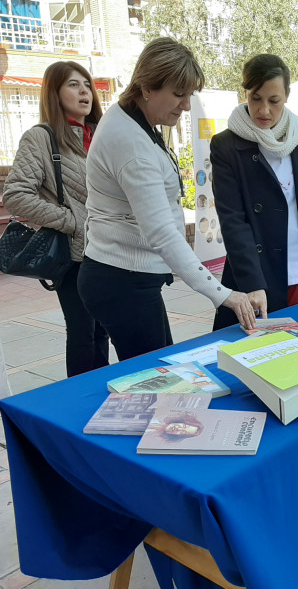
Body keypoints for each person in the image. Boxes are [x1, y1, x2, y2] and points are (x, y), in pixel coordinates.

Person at [78, 37, 255, 361]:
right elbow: (162, 233)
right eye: (178, 94)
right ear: (147, 87)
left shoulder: (134, 118)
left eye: (189, 95)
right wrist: (221, 294)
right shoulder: (131, 144)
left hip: (125, 277)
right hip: (120, 281)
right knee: (158, 382)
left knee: (156, 374)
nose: (186, 105)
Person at [210, 54, 298, 329]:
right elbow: (233, 220)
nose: (264, 110)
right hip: (262, 278)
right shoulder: (226, 145)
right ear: (245, 93)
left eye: (274, 101)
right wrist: (253, 283)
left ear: (287, 96)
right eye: (255, 98)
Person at [2, 61, 109, 378]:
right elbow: (16, 195)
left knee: (103, 330)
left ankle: (101, 396)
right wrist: (72, 221)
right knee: (82, 333)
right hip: (74, 256)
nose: (84, 92)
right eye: (73, 85)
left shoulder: (99, 135)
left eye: (87, 85)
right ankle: (78, 401)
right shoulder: (41, 138)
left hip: (108, 252)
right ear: (54, 92)